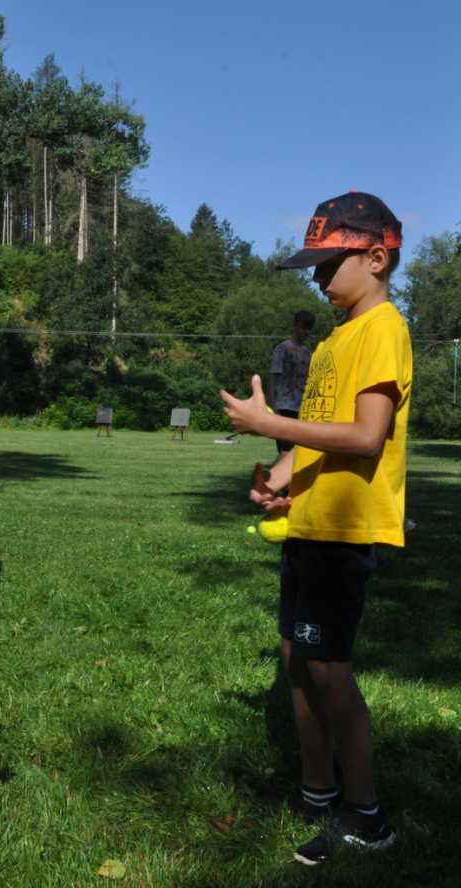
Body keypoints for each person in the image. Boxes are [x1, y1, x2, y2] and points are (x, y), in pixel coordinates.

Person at [219, 192, 411, 866]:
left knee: (329, 672)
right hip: (311, 525)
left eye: (330, 263)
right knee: (297, 662)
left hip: (346, 532)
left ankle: (366, 819)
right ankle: (317, 793)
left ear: (377, 256)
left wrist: (271, 423)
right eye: (313, 267)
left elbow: (364, 436)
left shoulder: (384, 329)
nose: (317, 277)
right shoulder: (333, 340)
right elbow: (318, 440)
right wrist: (278, 477)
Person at [269, 310, 315, 453]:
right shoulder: (282, 349)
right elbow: (273, 377)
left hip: (302, 408)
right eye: (303, 327)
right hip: (284, 406)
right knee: (285, 451)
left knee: (299, 452)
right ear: (295, 326)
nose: (306, 332)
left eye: (309, 328)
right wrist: (272, 405)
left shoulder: (308, 353)